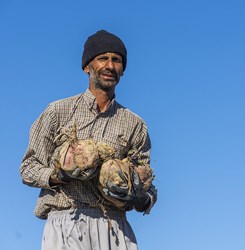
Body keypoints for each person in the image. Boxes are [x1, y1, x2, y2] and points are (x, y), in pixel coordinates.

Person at [20, 30, 157, 250]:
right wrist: (59, 175)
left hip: (115, 226)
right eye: (103, 58)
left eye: (117, 60)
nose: (110, 66)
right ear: (87, 66)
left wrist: (138, 193)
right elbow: (28, 168)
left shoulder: (135, 124)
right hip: (66, 222)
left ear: (123, 69)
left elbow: (148, 190)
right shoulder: (58, 112)